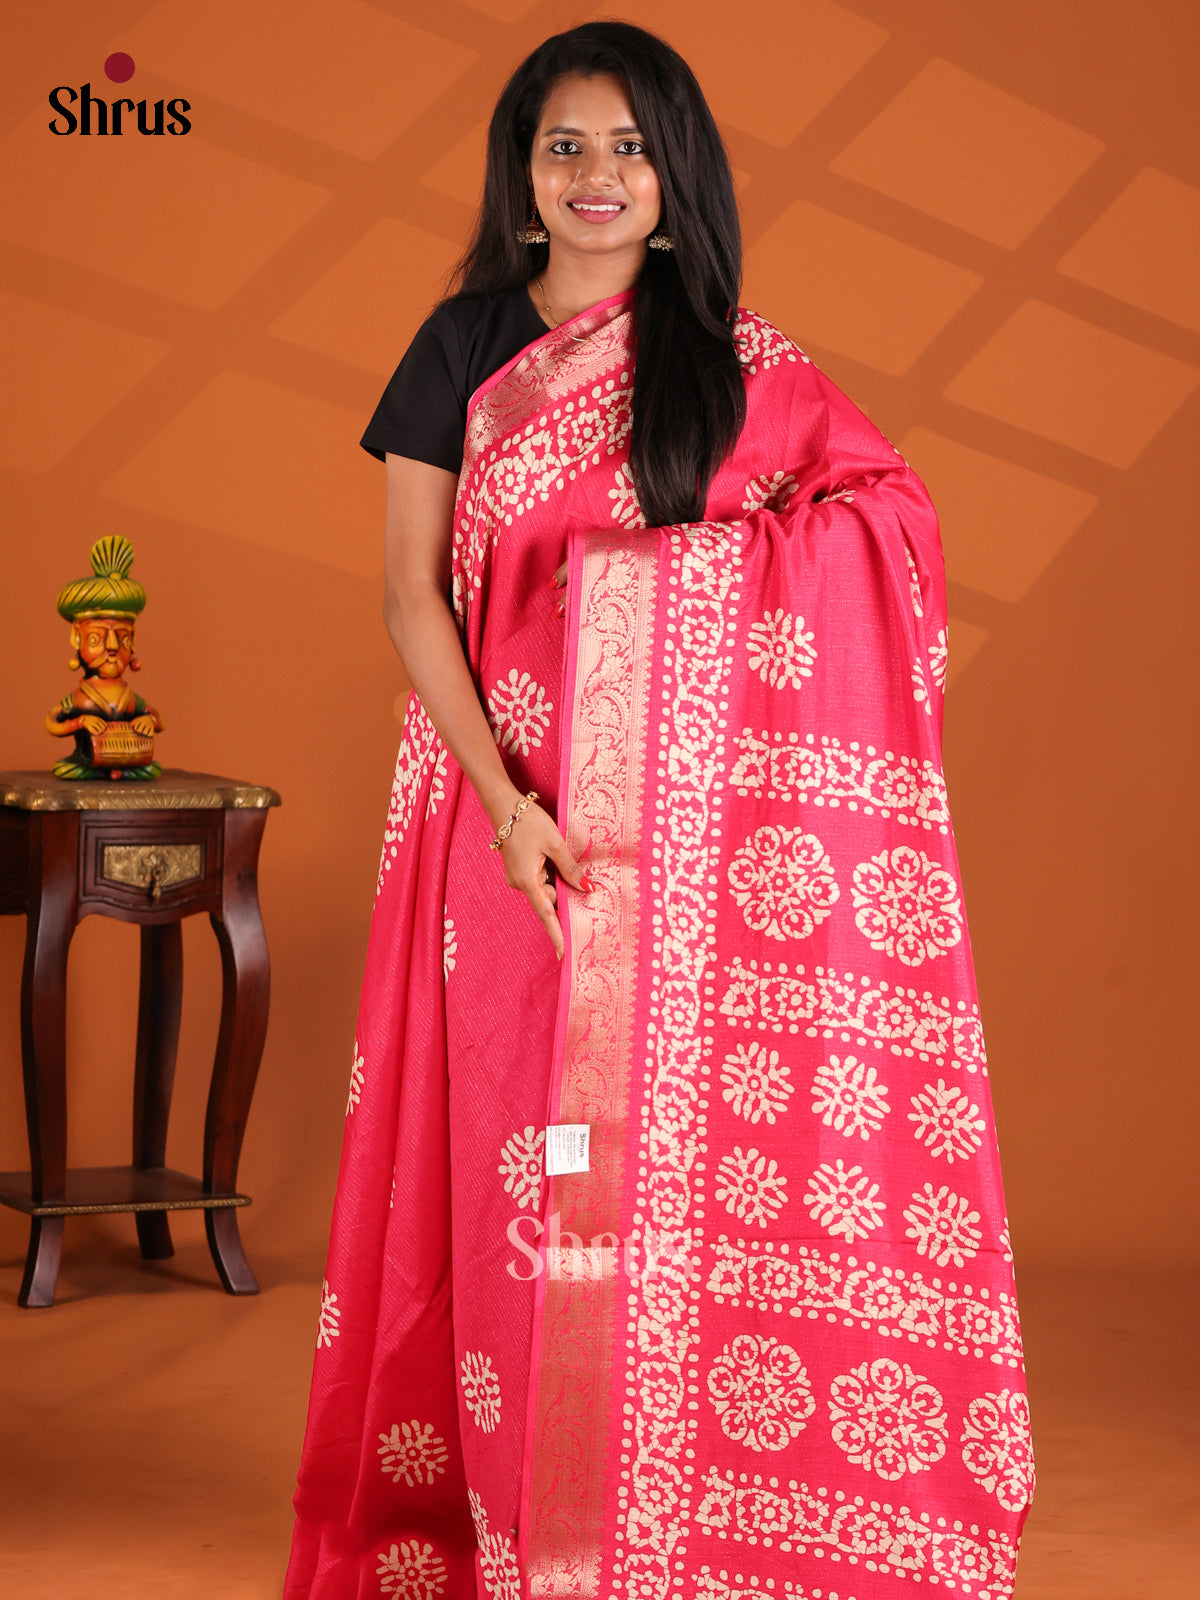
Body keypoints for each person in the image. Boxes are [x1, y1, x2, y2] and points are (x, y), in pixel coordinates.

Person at [285, 21, 1034, 1599]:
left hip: (690, 857)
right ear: (522, 175)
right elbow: (414, 598)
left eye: (630, 148)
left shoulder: (736, 362)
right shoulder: (463, 345)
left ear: (676, 178)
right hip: (504, 830)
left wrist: (669, 592)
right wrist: (506, 806)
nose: (597, 175)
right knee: (519, 1164)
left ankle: (662, 1518)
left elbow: (885, 526)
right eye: (565, 146)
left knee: (668, 1183)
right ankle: (525, 1518)